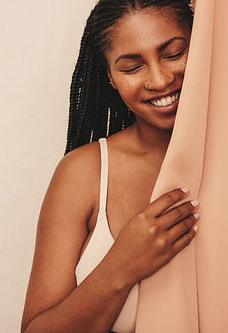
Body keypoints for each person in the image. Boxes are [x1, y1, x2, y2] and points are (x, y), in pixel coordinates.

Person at [22, 1, 198, 332]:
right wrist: (122, 265)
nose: (160, 80)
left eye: (174, 53)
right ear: (111, 78)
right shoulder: (84, 173)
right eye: (132, 68)